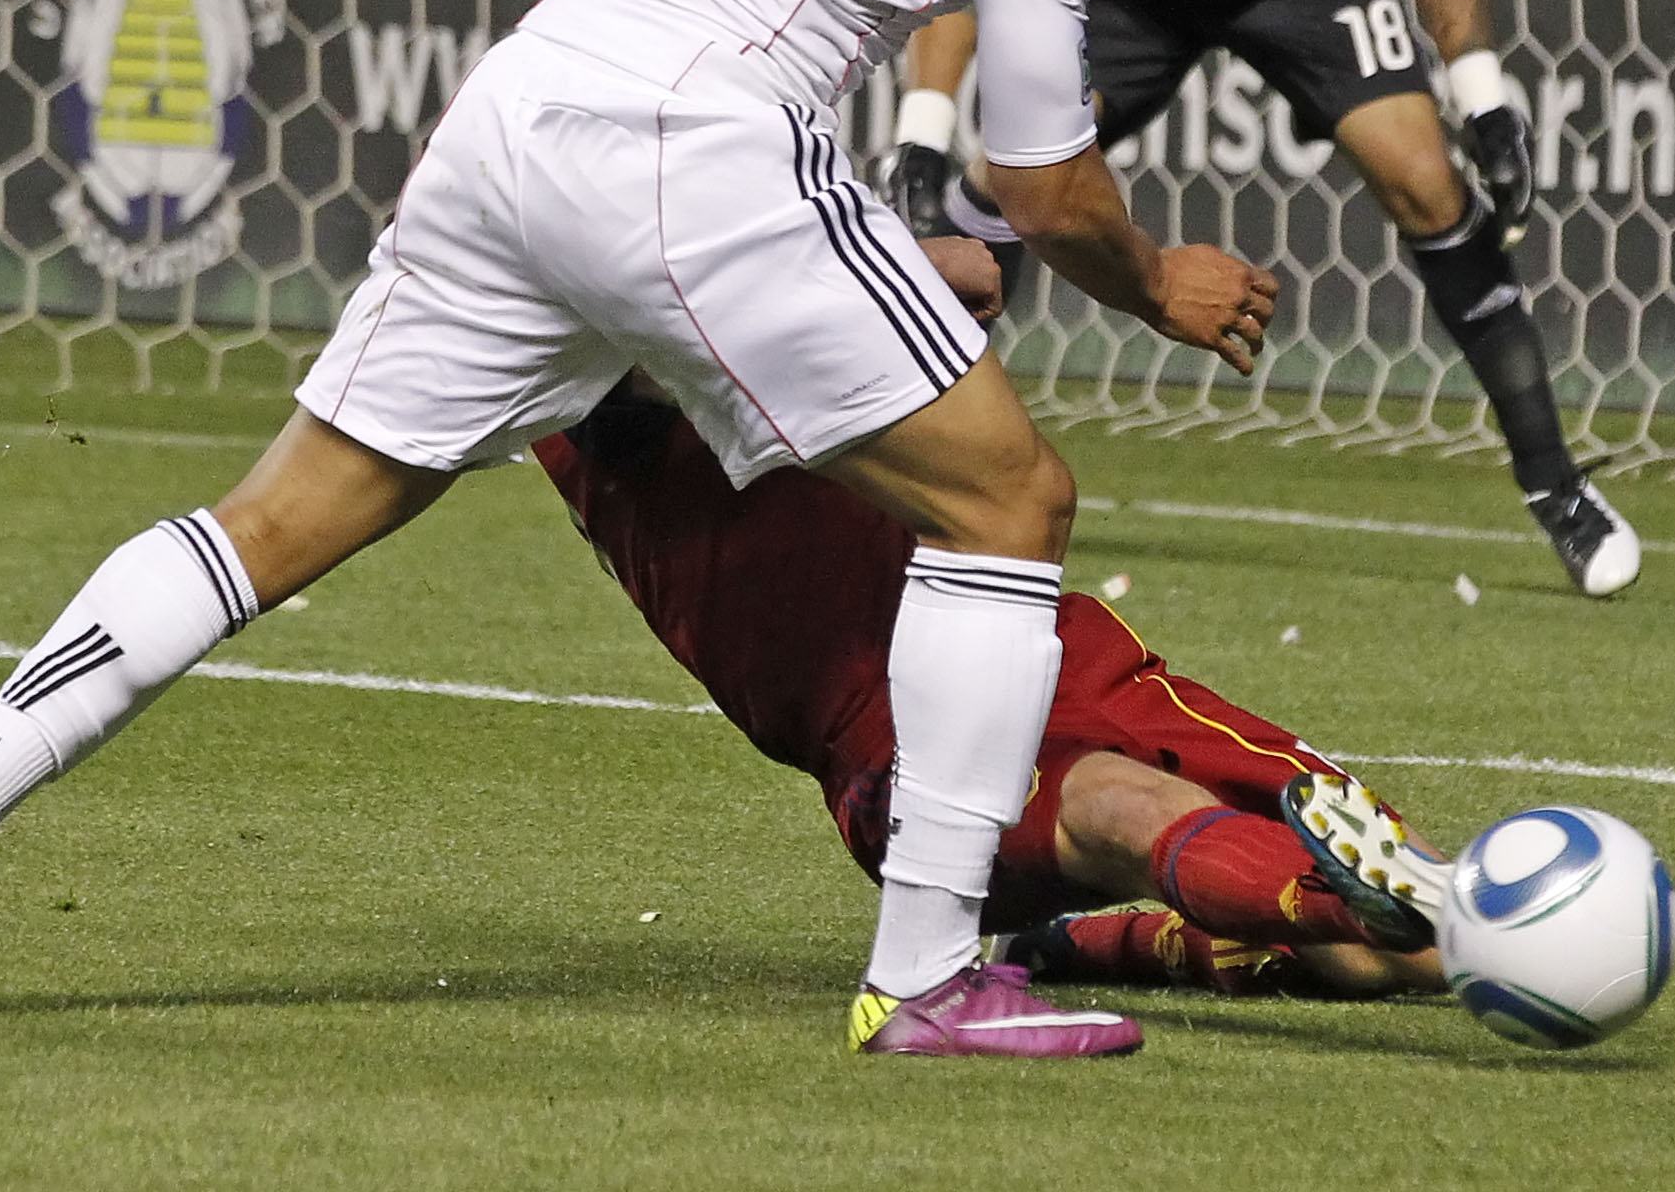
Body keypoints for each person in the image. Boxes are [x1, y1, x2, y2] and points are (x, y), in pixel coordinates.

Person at [0, 0, 1302, 1060]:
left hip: (529, 103)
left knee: (269, 522)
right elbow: (1039, 187)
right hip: (699, 139)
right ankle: (924, 980)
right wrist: (1160, 278)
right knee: (1011, 501)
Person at [881, 0, 1642, 598]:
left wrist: (1483, 98)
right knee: (1004, 187)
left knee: (1429, 185)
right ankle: (909, 476)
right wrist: (921, 135)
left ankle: (1556, 484)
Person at [534, 311, 1449, 1005]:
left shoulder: (719, 224)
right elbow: (674, 353)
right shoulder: (581, 355)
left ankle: (1096, 946)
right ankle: (1350, 897)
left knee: (1432, 950)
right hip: (896, 734)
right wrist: (910, 262)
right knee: (1128, 810)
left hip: (1058, 644)